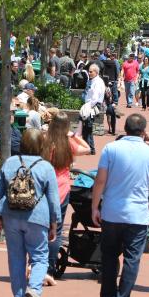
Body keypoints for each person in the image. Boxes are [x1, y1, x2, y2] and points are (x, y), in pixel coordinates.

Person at [91, 114, 149, 297]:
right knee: (132, 259)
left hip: (112, 212)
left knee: (109, 257)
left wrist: (94, 206)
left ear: (125, 129)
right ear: (143, 132)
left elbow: (100, 180)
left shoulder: (111, 148)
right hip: (137, 214)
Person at [0, 129, 61, 297]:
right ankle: (34, 290)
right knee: (40, 256)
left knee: (16, 258)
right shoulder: (46, 167)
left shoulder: (9, 163)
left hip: (11, 216)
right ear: (41, 145)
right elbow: (54, 199)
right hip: (37, 217)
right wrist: (54, 223)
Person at [42, 113, 90, 283]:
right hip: (61, 189)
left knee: (40, 227)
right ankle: (49, 269)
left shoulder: (45, 141)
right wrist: (75, 136)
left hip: (43, 188)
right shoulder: (68, 143)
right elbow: (88, 148)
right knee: (57, 229)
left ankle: (36, 264)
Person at [79, 64, 105, 155]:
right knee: (86, 127)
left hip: (92, 105)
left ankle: (90, 148)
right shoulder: (92, 80)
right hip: (90, 105)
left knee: (88, 127)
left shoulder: (97, 82)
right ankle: (88, 148)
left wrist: (88, 107)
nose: (89, 73)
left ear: (96, 72)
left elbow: (95, 97)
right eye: (89, 71)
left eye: (91, 72)